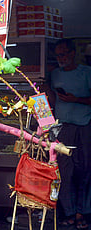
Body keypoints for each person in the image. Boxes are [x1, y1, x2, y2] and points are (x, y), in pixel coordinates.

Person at [46, 39, 91, 229]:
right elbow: (53, 100)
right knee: (65, 172)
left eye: (63, 54)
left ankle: (83, 212)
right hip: (62, 127)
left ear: (73, 53)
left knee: (85, 170)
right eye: (58, 55)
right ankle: (70, 212)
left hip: (84, 126)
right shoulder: (55, 74)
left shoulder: (86, 72)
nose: (61, 58)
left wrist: (76, 99)